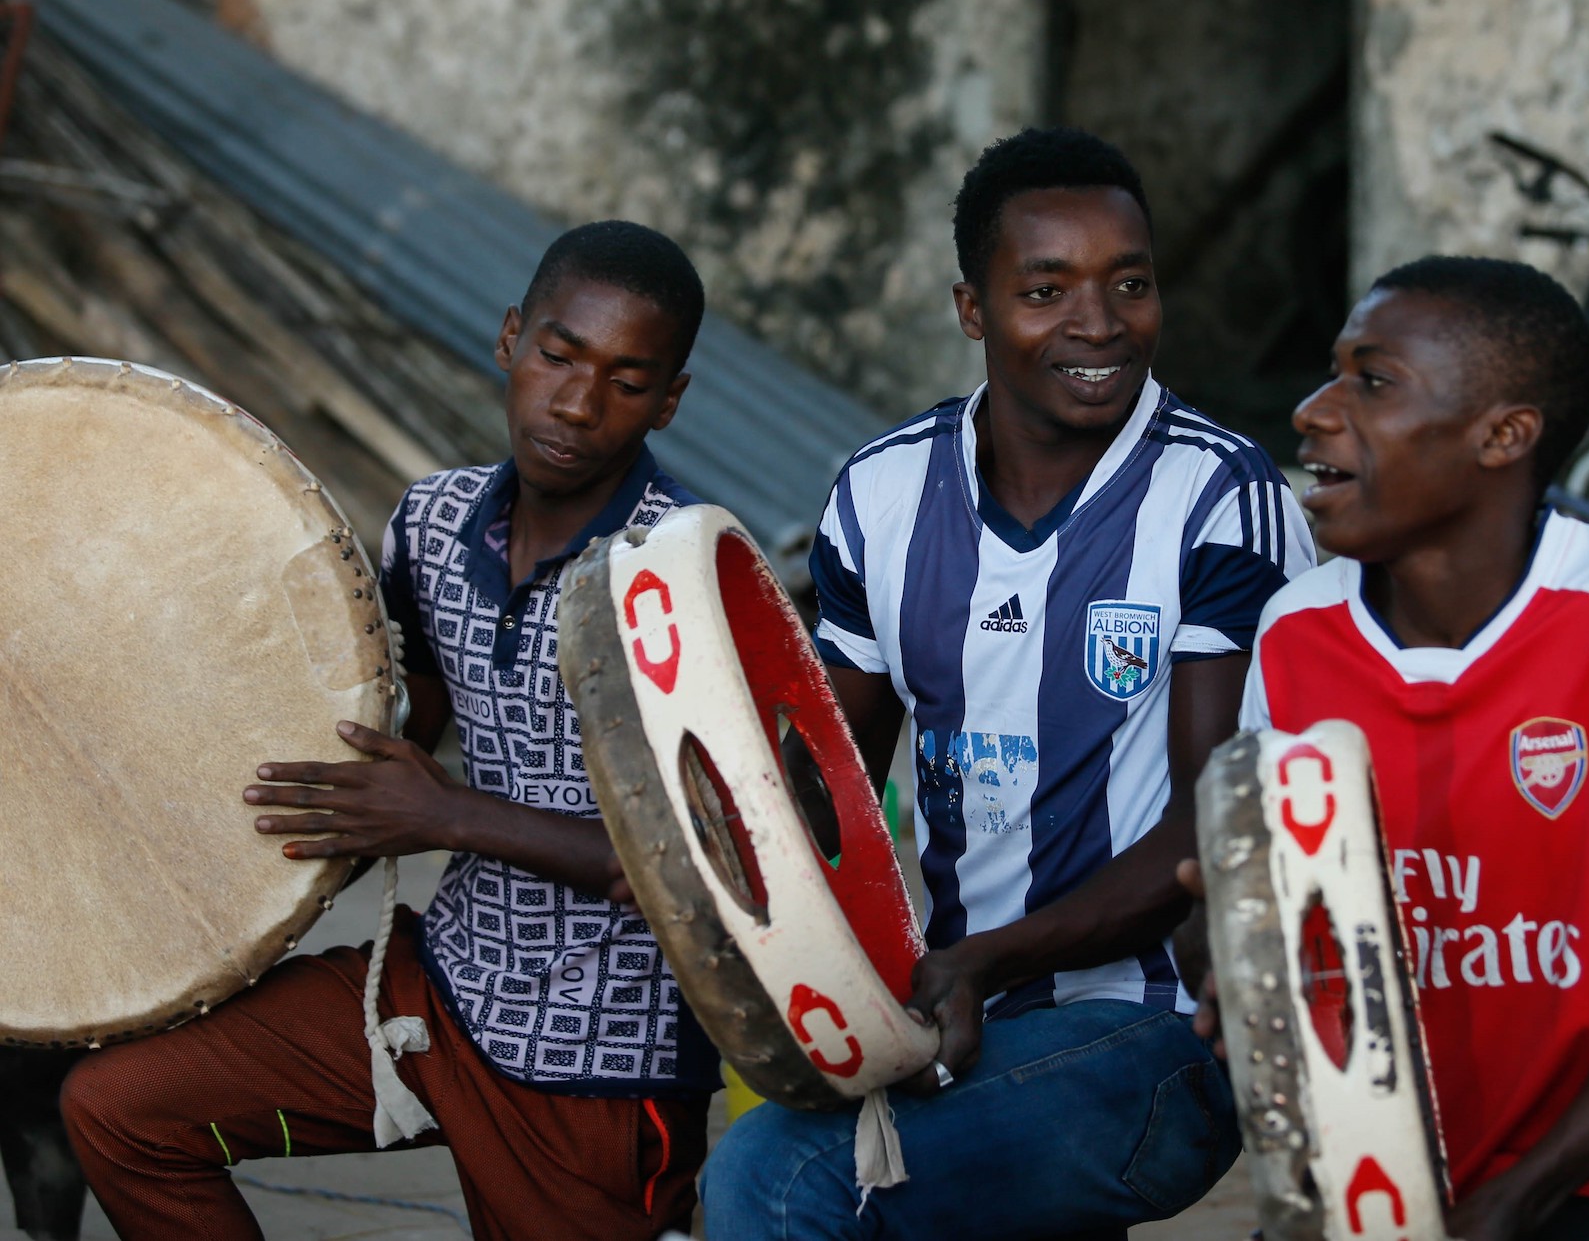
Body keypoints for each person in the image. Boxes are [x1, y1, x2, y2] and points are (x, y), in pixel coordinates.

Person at [700, 127, 1315, 1238]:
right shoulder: (882, 494)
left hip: (1165, 1028)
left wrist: (982, 961)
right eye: (1046, 290)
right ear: (972, 310)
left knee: (779, 1178)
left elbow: (1213, 830)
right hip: (967, 1001)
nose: (1099, 322)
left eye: (1130, 283)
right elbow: (829, 788)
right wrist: (694, 846)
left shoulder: (1222, 497)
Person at [60, 221, 721, 1240]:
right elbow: (385, 734)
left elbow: (701, 864)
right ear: (510, 338)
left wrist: (447, 814)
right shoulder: (433, 521)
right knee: (120, 1109)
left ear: (668, 401)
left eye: (627, 382)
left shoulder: (684, 574)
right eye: (558, 356)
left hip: (600, 1053)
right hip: (436, 985)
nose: (578, 404)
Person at [1195, 256, 1589, 1240]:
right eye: (1332, 373)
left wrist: (1514, 1200)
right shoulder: (1296, 629)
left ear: (1504, 435)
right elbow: (1297, 937)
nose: (1314, 411)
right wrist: (1236, 943)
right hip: (1377, 1185)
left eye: (1373, 382)